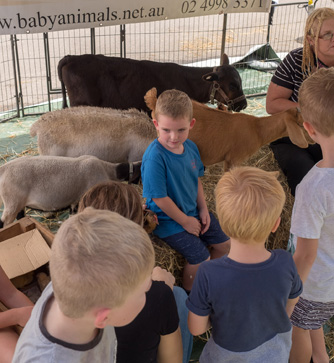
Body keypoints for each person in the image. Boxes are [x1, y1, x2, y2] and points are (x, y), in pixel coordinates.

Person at [187, 166, 303, 363]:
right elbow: (292, 300)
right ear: (276, 225)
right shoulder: (285, 261)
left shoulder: (208, 272)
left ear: (222, 224)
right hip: (275, 353)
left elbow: (196, 328)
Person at [12, 207, 155, 363]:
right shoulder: (48, 359)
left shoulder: (72, 283)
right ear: (103, 317)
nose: (150, 287)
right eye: (143, 292)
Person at [78, 181, 192, 363]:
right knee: (178, 296)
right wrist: (163, 289)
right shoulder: (157, 295)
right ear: (135, 233)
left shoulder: (66, 285)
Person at [141, 89, 230, 291]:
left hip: (192, 211)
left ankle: (210, 284)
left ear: (191, 124)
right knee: (201, 257)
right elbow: (159, 198)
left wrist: (203, 210)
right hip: (167, 221)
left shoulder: (190, 148)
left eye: (181, 130)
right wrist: (185, 221)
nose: (174, 137)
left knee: (225, 245)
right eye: (166, 130)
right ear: (155, 125)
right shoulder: (155, 156)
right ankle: (192, 296)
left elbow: (196, 180)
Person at [288, 68, 334, 363]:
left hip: (313, 283)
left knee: (297, 329)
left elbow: (304, 255)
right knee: (314, 319)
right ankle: (321, 356)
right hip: (330, 283)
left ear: (309, 128)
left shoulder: (313, 188)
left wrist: (289, 296)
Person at [266, 7, 334, 195]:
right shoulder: (296, 60)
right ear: (311, 40)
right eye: (327, 34)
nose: (333, 38)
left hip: (328, 133)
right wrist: (312, 109)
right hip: (292, 134)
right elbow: (272, 104)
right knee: (305, 175)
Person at [0, 188, 33, 363]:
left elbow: (9, 293)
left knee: (19, 359)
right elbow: (16, 314)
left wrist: (36, 318)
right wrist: (15, 316)